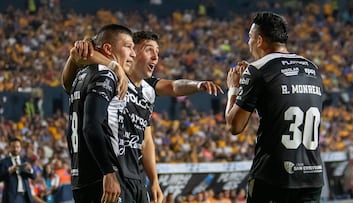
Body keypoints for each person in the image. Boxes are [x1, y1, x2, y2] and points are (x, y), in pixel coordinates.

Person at [62, 30, 223, 203]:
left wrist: (154, 181)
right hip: (110, 173)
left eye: (158, 53)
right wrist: (92, 57)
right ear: (133, 50)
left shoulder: (148, 91)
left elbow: (147, 139)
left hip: (135, 178)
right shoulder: (111, 76)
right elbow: (80, 60)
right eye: (149, 50)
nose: (155, 57)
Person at [225, 12, 324, 202]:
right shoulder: (312, 68)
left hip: (273, 177)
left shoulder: (258, 69)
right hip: (312, 176)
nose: (249, 43)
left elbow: (234, 126)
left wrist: (234, 88)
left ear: (259, 40)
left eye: (250, 38)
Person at [64, 23, 136, 203]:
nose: (133, 54)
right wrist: (108, 172)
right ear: (108, 48)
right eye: (128, 46)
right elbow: (91, 126)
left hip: (81, 177)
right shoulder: (106, 74)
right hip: (101, 181)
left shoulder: (82, 74)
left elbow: (66, 83)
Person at [0, 137, 36, 203]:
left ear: (20, 148)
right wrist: (9, 171)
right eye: (13, 147)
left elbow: (33, 176)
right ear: (9, 147)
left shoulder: (25, 160)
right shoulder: (4, 162)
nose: (15, 149)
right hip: (12, 196)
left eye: (17, 147)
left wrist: (30, 169)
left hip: (25, 195)